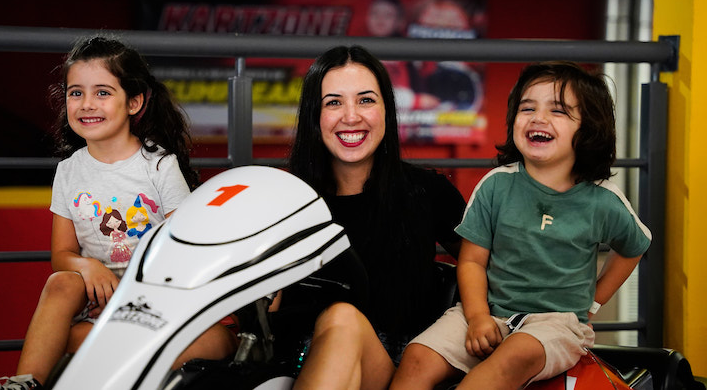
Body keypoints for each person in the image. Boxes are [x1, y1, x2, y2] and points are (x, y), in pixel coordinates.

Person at [0, 36, 237, 390]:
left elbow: (184, 252)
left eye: (102, 92)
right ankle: (22, 385)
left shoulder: (160, 166)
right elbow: (62, 256)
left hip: (161, 308)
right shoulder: (70, 171)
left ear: (134, 102)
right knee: (63, 285)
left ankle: (119, 358)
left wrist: (132, 299)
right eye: (76, 93)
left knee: (219, 344)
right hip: (100, 316)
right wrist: (88, 266)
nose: (87, 104)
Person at [390, 62, 652, 390]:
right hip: (487, 312)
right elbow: (471, 261)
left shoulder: (604, 200)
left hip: (556, 325)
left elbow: (635, 246)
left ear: (589, 129)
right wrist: (478, 317)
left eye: (557, 111)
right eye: (527, 107)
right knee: (416, 357)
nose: (537, 117)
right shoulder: (495, 186)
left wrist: (594, 300)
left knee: (512, 357)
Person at [279, 45, 466, 389]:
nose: (351, 116)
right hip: (296, 364)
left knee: (343, 317)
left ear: (386, 110)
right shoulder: (284, 199)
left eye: (366, 100)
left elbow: (486, 270)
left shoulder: (427, 191)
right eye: (334, 102)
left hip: (395, 373)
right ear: (314, 115)